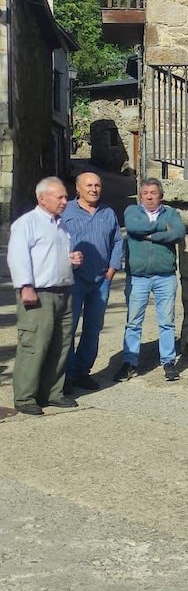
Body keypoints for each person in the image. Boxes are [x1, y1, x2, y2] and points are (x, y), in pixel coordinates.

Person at [7, 177, 82, 415]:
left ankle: (52, 392)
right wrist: (25, 286)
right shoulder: (27, 223)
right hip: (38, 293)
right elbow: (17, 257)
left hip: (63, 291)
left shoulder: (61, 225)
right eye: (59, 197)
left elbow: (50, 256)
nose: (65, 201)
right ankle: (25, 396)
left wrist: (71, 261)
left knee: (60, 345)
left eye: (65, 197)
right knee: (34, 345)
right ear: (42, 198)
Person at [117, 178, 185, 383]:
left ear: (160, 195)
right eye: (145, 192)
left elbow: (179, 233)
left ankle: (168, 362)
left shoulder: (171, 214)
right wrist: (162, 230)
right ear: (140, 195)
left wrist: (149, 236)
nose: (148, 196)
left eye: (153, 193)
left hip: (165, 276)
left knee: (167, 322)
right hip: (138, 277)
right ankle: (129, 362)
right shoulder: (132, 211)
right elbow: (132, 227)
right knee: (133, 322)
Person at [61, 171, 122, 391]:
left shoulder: (108, 212)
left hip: (101, 281)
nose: (94, 189)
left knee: (93, 329)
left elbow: (117, 240)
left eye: (97, 185)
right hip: (72, 279)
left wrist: (113, 269)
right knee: (68, 328)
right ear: (77, 188)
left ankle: (81, 372)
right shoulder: (65, 210)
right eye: (89, 185)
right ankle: (65, 376)